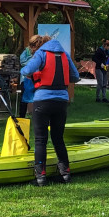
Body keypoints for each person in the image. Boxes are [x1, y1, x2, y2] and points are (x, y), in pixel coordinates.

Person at [20, 34, 81, 186]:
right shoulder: (65, 55)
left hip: (42, 100)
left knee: (41, 139)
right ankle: (65, 175)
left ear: (40, 45)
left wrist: (35, 75)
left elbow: (26, 70)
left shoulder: (41, 53)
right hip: (61, 101)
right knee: (58, 138)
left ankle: (40, 178)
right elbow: (76, 77)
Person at [17, 34, 40, 118]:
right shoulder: (26, 51)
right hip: (25, 79)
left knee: (38, 98)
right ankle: (21, 117)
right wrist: (33, 60)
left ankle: (38, 117)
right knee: (24, 99)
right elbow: (22, 61)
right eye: (33, 45)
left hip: (37, 78)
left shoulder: (41, 52)